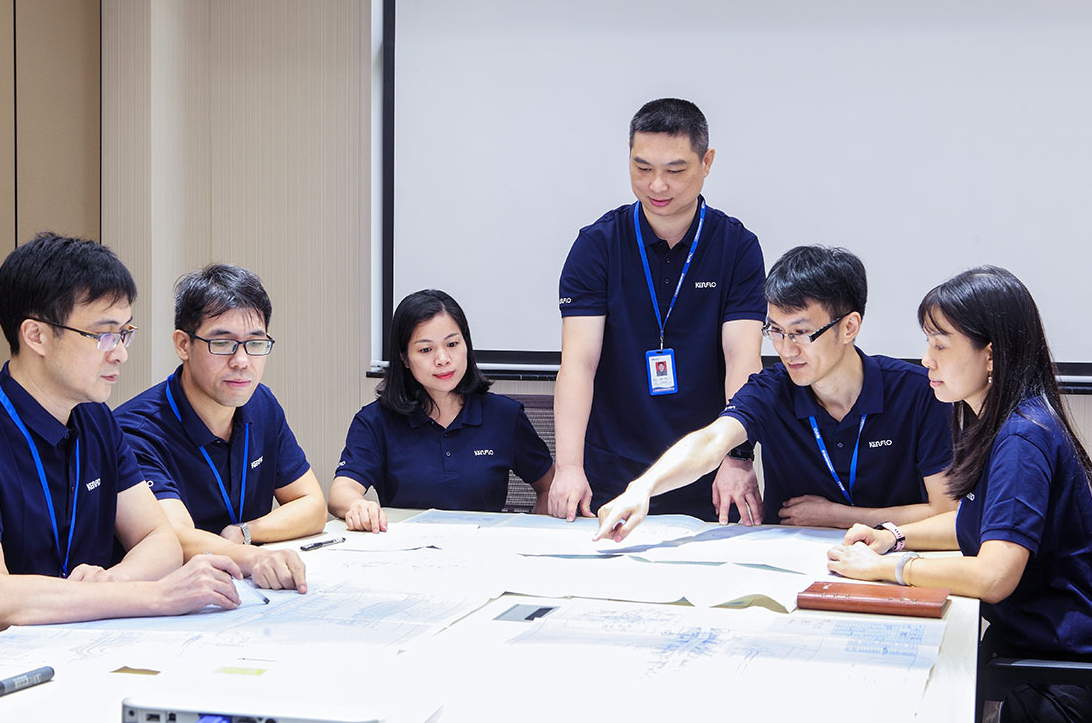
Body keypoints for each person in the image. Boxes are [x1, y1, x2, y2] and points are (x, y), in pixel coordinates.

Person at [827, 266, 1092, 722]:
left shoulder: (1022, 438)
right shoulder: (996, 421)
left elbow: (993, 576)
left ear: (990, 355)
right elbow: (979, 522)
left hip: (1063, 675)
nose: (926, 359)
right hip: (1027, 649)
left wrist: (886, 568)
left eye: (940, 344)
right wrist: (893, 536)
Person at [0, 234, 243, 646]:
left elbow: (160, 541)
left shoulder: (96, 419)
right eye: (104, 335)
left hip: (85, 645)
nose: (120, 353)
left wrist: (112, 584)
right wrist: (154, 595)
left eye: (124, 333)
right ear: (36, 336)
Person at [594, 245, 955, 539]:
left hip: (892, 560)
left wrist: (837, 516)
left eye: (801, 333)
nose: (786, 349)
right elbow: (711, 441)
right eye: (776, 331)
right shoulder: (773, 389)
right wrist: (643, 487)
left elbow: (946, 512)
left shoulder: (918, 393)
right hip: (789, 564)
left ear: (849, 327)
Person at [551, 97, 767, 525]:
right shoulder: (598, 245)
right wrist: (569, 467)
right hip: (612, 466)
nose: (657, 186)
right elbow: (578, 363)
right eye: (643, 168)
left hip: (705, 467)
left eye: (675, 170)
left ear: (707, 162)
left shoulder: (736, 247)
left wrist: (737, 456)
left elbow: (742, 359)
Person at [115, 264, 325, 592]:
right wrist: (253, 557)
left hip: (247, 593)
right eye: (223, 343)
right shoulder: (136, 430)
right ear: (183, 345)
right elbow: (172, 538)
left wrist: (246, 532)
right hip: (170, 600)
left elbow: (312, 505)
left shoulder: (261, 404)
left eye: (255, 343)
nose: (242, 361)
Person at [329, 290, 554, 532]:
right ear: (404, 358)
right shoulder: (375, 421)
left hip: (484, 549)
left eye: (452, 344)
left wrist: (534, 531)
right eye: (426, 350)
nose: (443, 359)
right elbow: (341, 491)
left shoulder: (504, 416)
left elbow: (550, 486)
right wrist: (358, 506)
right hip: (406, 550)